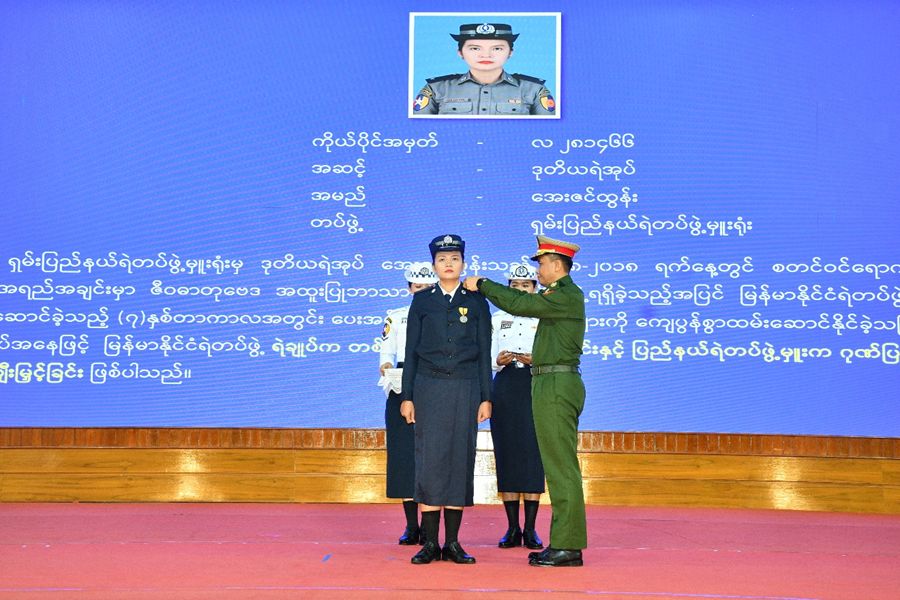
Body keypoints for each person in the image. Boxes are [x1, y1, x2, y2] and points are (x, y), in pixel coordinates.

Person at [463, 235, 586, 567]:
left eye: (541, 264)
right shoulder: (557, 296)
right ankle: (564, 542)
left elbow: (519, 304)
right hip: (548, 381)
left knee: (560, 468)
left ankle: (568, 545)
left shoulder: (565, 295)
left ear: (556, 265)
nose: (539, 270)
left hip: (556, 384)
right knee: (557, 466)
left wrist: (483, 284)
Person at [400, 234, 493, 565]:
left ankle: (452, 543)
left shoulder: (477, 302)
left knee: (458, 460)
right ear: (434, 266)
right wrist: (408, 396)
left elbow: (484, 353)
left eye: (454, 258)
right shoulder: (422, 302)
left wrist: (486, 397)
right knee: (429, 461)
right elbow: (410, 352)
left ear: (463, 263)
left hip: (465, 388)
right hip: (428, 387)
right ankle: (429, 543)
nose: (448, 264)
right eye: (442, 259)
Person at [378, 261, 438, 545]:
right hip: (401, 384)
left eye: (427, 287)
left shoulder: (444, 317)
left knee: (431, 456)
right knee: (404, 455)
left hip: (433, 384)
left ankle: (429, 526)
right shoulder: (397, 316)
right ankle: (411, 525)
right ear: (409, 288)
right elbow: (386, 351)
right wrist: (386, 365)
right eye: (417, 286)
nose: (422, 291)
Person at [489, 262, 545, 551]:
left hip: (535, 384)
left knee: (534, 452)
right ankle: (512, 528)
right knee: (508, 451)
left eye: (525, 285)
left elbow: (554, 352)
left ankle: (531, 529)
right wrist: (497, 361)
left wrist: (537, 359)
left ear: (535, 288)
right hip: (506, 384)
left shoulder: (546, 316)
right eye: (514, 286)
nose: (520, 290)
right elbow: (486, 356)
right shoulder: (497, 318)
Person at [412, 23, 556, 116]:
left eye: (497, 48)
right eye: (475, 48)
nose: (486, 55)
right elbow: (417, 129)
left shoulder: (534, 89)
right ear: (460, 52)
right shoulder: (436, 88)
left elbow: (550, 131)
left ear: (510, 52)